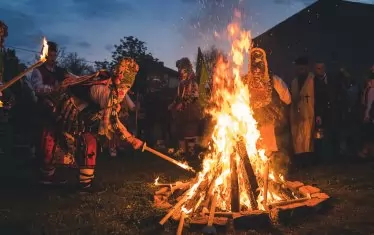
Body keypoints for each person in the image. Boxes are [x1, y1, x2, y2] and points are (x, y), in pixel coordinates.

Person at [38, 58, 143, 193]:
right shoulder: (107, 92)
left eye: (127, 86)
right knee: (87, 141)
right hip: (69, 108)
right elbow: (113, 123)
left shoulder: (110, 85)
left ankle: (53, 176)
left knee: (71, 139)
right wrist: (132, 140)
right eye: (124, 85)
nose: (125, 90)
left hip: (76, 109)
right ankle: (83, 184)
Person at [246, 48, 291, 176]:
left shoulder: (273, 79)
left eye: (259, 65)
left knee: (270, 148)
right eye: (255, 65)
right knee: (258, 148)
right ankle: (261, 174)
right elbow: (287, 98)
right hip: (253, 120)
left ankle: (272, 175)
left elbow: (287, 98)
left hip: (268, 120)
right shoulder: (245, 81)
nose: (257, 70)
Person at [168, 57, 201, 157]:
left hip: (191, 111)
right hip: (181, 112)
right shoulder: (181, 83)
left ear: (186, 69)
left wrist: (183, 104)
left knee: (190, 130)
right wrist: (173, 104)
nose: (179, 71)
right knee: (180, 130)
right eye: (179, 68)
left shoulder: (193, 82)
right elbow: (178, 96)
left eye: (181, 68)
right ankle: (182, 151)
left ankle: (191, 152)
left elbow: (194, 96)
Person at [290, 56, 315, 166]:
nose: (301, 69)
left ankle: (310, 161)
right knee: (299, 139)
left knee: (309, 138)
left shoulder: (312, 79)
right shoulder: (294, 81)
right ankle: (301, 162)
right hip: (298, 114)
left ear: (306, 67)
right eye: (299, 67)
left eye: (302, 67)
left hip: (310, 112)